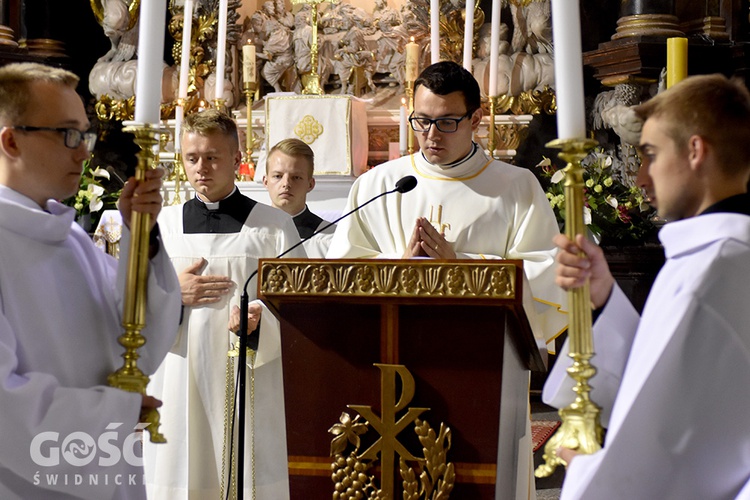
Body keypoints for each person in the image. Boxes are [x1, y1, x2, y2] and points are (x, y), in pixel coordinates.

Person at [326, 60, 566, 499]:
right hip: (388, 360)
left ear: (476, 119)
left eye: (447, 122)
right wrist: (398, 265)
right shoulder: (379, 184)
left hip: (481, 364)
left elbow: (546, 275)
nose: (431, 135)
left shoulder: (515, 187)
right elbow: (340, 274)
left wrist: (464, 264)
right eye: (421, 121)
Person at [543, 74, 750, 499]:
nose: (640, 179)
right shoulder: (727, 256)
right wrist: (604, 297)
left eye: (651, 155)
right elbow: (689, 382)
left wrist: (582, 468)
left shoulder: (708, 273)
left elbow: (654, 459)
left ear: (695, 151)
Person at [0, 62, 181, 498]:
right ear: (10, 141)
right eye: (67, 134)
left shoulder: (70, 238)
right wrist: (116, 411)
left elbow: (138, 344)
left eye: (86, 134)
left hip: (101, 471)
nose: (84, 152)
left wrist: (144, 238)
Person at [144, 109, 302, 499]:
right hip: (178, 375)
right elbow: (129, 307)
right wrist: (171, 295)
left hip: (248, 371)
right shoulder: (161, 223)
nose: (201, 168)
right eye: (192, 158)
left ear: (236, 158)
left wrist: (261, 318)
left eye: (213, 157)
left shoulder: (273, 226)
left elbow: (297, 306)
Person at [263, 138, 335, 258]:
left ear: (310, 184)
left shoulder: (331, 238)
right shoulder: (250, 232)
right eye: (277, 176)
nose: (286, 183)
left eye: (296, 177)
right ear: (265, 182)